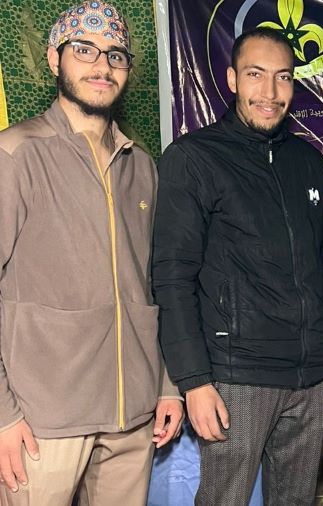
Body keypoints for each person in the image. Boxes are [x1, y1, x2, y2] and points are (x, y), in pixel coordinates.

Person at [152, 27, 323, 506]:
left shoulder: (308, 161)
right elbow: (172, 277)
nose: (271, 92)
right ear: (232, 79)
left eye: (283, 77)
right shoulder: (194, 158)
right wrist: (194, 381)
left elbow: (320, 266)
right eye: (256, 75)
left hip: (310, 375)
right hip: (236, 374)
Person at [0, 2, 184, 504]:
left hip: (133, 416)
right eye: (84, 50)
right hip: (42, 419)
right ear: (54, 58)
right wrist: (3, 416)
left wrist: (167, 383)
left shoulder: (141, 166)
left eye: (115, 55)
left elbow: (154, 284)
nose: (102, 66)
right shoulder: (15, 155)